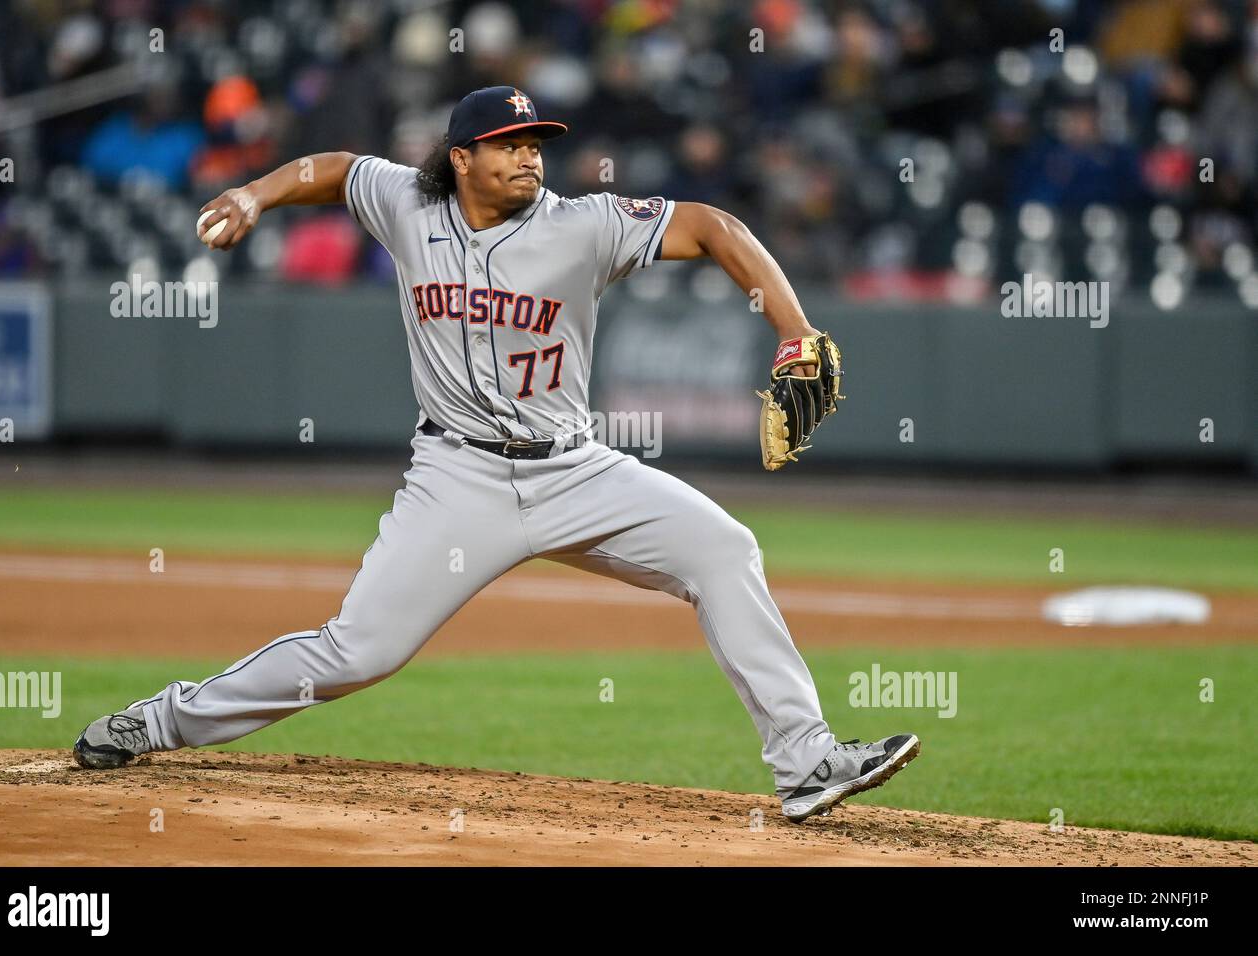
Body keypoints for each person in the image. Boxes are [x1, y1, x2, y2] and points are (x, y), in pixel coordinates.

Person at [73, 86, 919, 823]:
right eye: (509, 145)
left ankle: (805, 761)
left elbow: (712, 226)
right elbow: (333, 167)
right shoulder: (407, 203)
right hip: (457, 479)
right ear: (461, 158)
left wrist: (795, 329)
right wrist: (257, 195)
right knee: (356, 653)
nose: (529, 157)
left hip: (576, 469)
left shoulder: (584, 227)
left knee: (724, 548)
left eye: (536, 143)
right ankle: (162, 722)